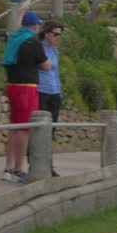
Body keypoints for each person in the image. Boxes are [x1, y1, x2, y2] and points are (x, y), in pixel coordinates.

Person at [2, 11, 50, 183]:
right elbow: (46, 65)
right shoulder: (33, 42)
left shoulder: (14, 39)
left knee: (14, 127)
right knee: (24, 129)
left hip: (12, 85)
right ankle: (17, 169)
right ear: (36, 26)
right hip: (27, 87)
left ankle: (8, 167)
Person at [37, 21, 64, 176]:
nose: (57, 37)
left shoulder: (54, 50)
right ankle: (40, 164)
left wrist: (59, 91)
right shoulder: (39, 47)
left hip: (54, 92)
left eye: (59, 34)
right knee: (41, 129)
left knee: (51, 130)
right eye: (55, 34)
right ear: (47, 33)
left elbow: (56, 72)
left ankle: (49, 164)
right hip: (42, 91)